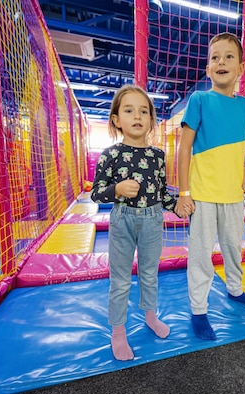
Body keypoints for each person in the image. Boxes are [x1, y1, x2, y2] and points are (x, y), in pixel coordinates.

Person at [175, 32, 245, 341]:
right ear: (208, 67)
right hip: (202, 195)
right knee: (200, 254)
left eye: (228, 56)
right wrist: (184, 193)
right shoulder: (199, 99)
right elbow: (184, 149)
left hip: (232, 194)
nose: (221, 62)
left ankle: (235, 290)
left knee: (232, 248)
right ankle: (199, 309)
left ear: (240, 67)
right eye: (215, 57)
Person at [90, 84, 188, 361]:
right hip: (122, 219)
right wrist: (117, 189)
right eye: (129, 110)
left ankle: (150, 316)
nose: (137, 116)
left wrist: (177, 206)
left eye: (144, 111)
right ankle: (118, 333)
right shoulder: (110, 154)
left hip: (152, 219)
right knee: (120, 280)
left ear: (151, 120)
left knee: (149, 274)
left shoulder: (157, 156)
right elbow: (96, 192)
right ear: (116, 119)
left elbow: (160, 193)